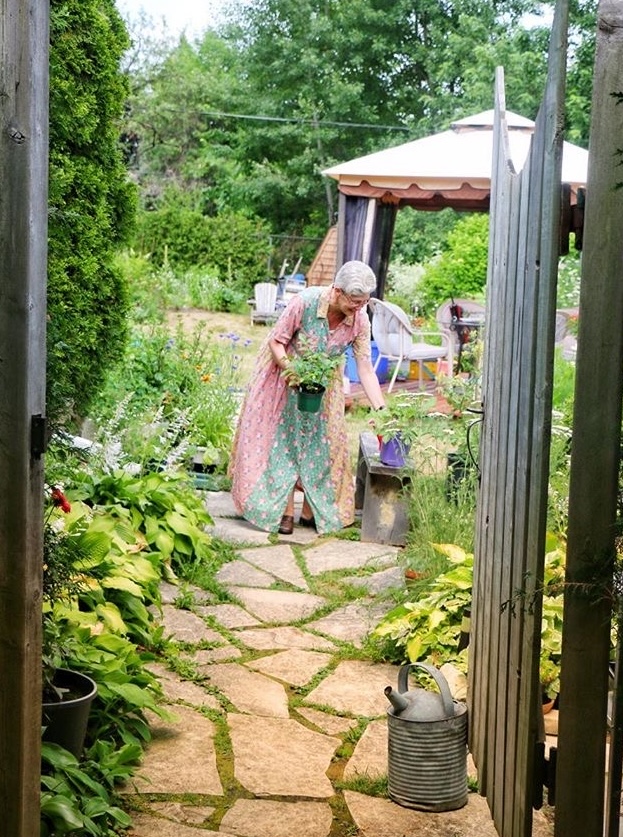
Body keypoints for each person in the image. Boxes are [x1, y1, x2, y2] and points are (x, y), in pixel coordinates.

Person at [229, 260, 386, 535]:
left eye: (364, 303)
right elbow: (277, 341)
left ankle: (309, 511)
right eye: (354, 301)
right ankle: (285, 511)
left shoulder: (359, 319)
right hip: (284, 377)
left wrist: (381, 409)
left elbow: (364, 366)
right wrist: (293, 372)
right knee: (282, 442)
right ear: (337, 291)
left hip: (324, 387)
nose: (358, 308)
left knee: (323, 444)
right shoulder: (306, 302)